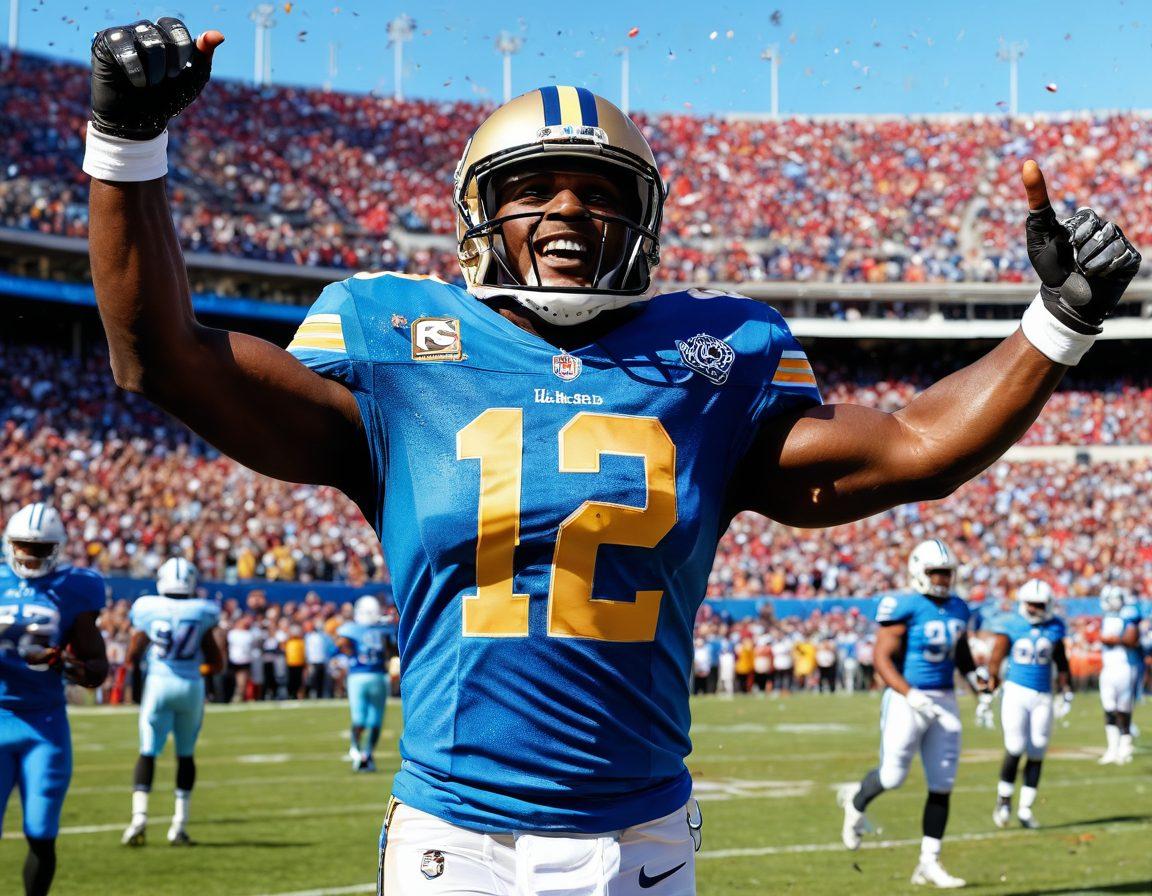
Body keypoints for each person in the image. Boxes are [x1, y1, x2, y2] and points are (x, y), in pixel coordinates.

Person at [85, 19, 1140, 895]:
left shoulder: (713, 356)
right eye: (531, 186)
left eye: (598, 190)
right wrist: (127, 144)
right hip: (460, 840)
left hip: (643, 839)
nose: (566, 209)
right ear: (479, 212)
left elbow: (913, 447)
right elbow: (165, 356)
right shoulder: (399, 345)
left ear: (644, 216)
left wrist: (1056, 323)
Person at [838, 541, 984, 888]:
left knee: (943, 783)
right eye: (935, 571)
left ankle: (929, 863)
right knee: (892, 777)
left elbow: (960, 650)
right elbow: (881, 658)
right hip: (907, 698)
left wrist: (979, 683)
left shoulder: (959, 607)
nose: (942, 579)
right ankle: (856, 804)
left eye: (946, 572)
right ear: (919, 571)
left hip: (945, 698)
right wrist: (909, 693)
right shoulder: (904, 606)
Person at [0, 504, 108, 896]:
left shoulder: (76, 588)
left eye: (40, 548)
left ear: (58, 548)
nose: (29, 556)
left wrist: (63, 663)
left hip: (44, 725)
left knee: (41, 833)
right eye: (23, 546)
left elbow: (96, 670)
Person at [121, 558, 224, 845]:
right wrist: (194, 670)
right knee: (186, 754)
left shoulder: (148, 609)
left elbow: (132, 655)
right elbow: (216, 663)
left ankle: (139, 818)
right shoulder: (203, 611)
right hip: (190, 687)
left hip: (158, 683)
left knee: (148, 750)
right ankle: (179, 825)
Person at [983, 579, 1071, 829]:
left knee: (1039, 748)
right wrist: (989, 688)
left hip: (1043, 694)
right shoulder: (1011, 624)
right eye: (1030, 604)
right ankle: (1004, 799)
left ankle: (1025, 808)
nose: (1034, 609)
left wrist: (1066, 688)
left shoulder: (1055, 627)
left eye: (1039, 604)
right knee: (1015, 745)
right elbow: (996, 657)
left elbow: (1061, 660)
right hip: (1016, 691)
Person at [336, 596, 392, 772]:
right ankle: (358, 751)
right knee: (362, 719)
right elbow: (340, 644)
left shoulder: (378, 629)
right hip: (364, 676)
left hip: (373, 676)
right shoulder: (374, 629)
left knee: (374, 721)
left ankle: (365, 754)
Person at [1097, 585, 1142, 765]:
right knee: (1109, 708)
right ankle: (1112, 748)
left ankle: (1125, 745)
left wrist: (1113, 639)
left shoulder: (1129, 614)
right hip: (1108, 667)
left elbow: (1132, 639)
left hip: (1125, 667)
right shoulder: (1106, 619)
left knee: (1123, 709)